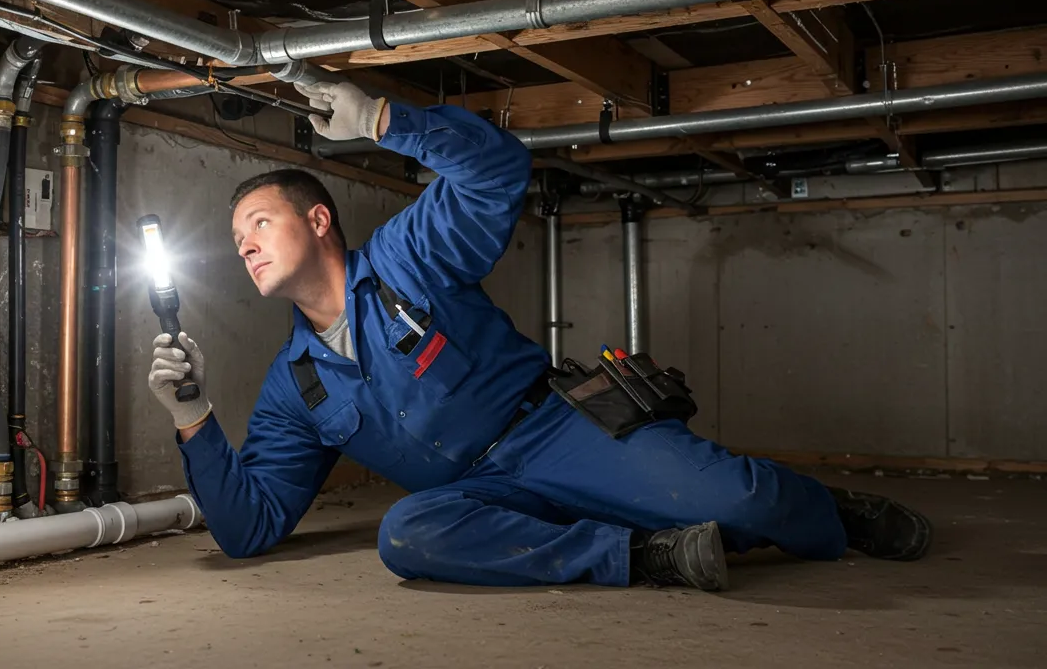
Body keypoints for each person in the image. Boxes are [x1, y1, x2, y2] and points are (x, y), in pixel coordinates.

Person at [147, 80, 932, 591]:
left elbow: (494, 174)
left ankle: (835, 512)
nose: (243, 244)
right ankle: (637, 555)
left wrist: (386, 120)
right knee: (406, 535)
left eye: (258, 223)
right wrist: (191, 414)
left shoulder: (405, 257)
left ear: (318, 220)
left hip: (557, 431)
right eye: (235, 237)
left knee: (743, 497)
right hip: (479, 496)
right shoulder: (297, 383)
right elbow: (249, 529)